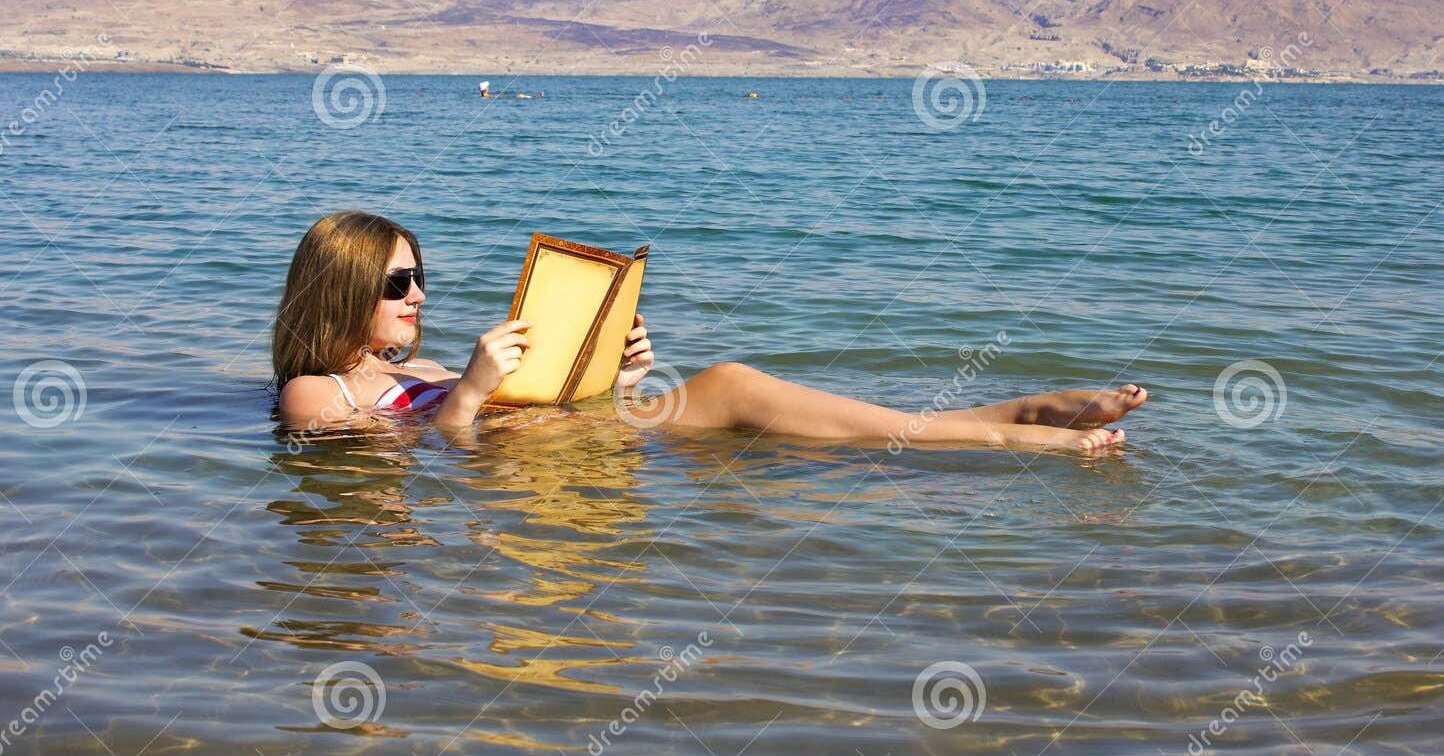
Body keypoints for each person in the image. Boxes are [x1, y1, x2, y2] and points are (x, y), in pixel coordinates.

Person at [273, 212, 1146, 451]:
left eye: (422, 272)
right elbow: (425, 452)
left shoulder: (418, 360)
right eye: (398, 280)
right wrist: (466, 392)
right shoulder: (315, 389)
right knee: (826, 431)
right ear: (343, 287)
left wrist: (609, 369)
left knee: (742, 382)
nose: (419, 291)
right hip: (544, 458)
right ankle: (1018, 432)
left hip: (577, 432)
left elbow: (483, 418)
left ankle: (1018, 416)